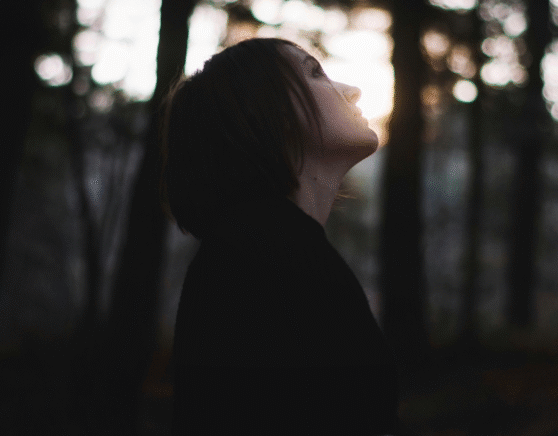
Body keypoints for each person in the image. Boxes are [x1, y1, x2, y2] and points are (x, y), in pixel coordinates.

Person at [162, 38, 400, 435]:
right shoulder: (267, 259)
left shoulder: (259, 249)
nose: (352, 90)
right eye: (314, 73)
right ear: (268, 111)